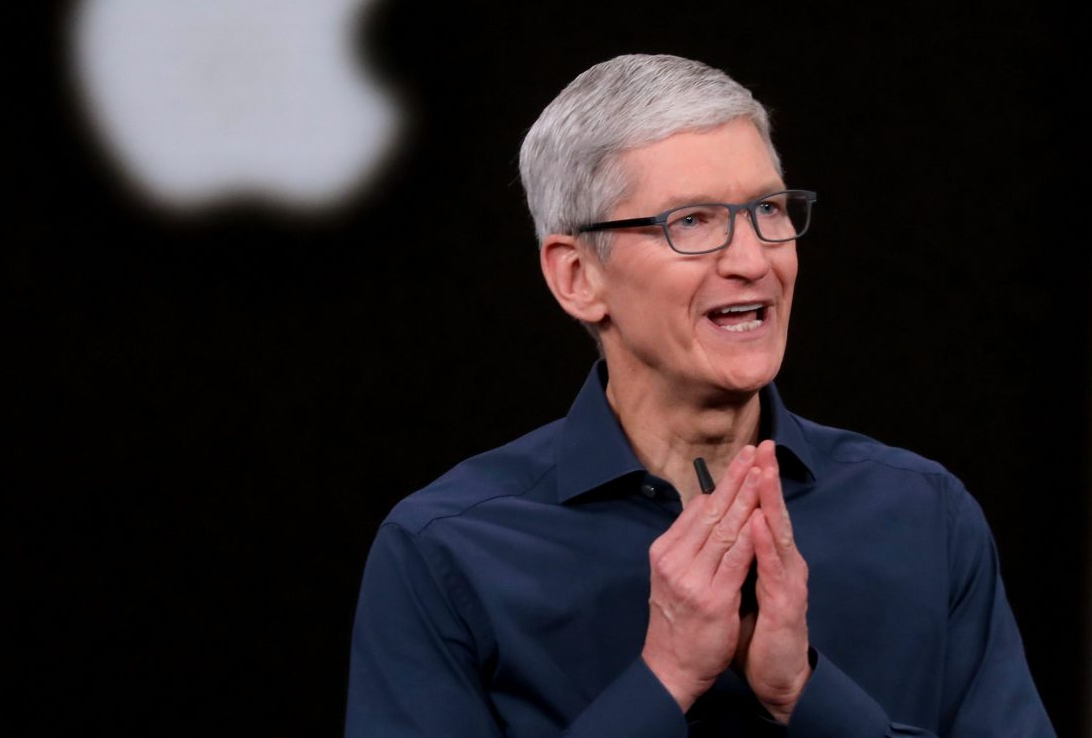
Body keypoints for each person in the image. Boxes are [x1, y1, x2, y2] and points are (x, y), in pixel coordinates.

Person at [345, 54, 1053, 736]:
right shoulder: (444, 550)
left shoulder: (924, 516)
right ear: (576, 276)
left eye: (769, 210)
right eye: (692, 221)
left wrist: (804, 695)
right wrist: (664, 680)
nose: (752, 260)